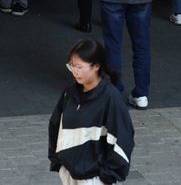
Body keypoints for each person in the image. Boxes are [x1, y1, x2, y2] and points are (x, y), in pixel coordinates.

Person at [48, 38, 135, 184]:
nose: (75, 72)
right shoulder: (69, 94)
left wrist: (107, 175)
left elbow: (123, 138)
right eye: (72, 66)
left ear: (96, 66)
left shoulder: (110, 98)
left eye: (80, 67)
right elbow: (56, 126)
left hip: (94, 179)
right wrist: (58, 161)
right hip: (69, 174)